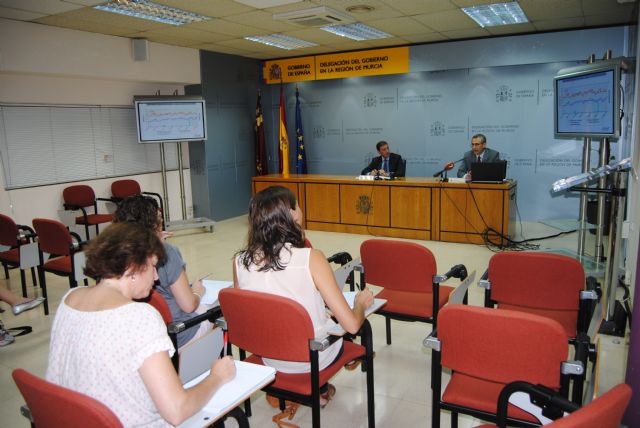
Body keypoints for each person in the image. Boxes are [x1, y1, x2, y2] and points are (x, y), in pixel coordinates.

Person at [46, 223, 235, 427]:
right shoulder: (140, 316)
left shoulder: (70, 299)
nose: (155, 277)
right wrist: (217, 377)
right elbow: (177, 411)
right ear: (132, 268)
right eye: (153, 266)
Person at [233, 186, 374, 403]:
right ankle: (321, 387)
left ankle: (318, 392)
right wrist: (361, 304)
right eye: (297, 204)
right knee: (357, 325)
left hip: (269, 356)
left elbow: (253, 310)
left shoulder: (239, 261)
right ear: (292, 215)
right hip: (312, 356)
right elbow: (352, 326)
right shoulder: (311, 258)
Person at [114, 195, 210, 350]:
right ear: (152, 225)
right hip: (176, 334)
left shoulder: (114, 254)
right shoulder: (167, 253)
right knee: (213, 312)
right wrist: (197, 292)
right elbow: (188, 305)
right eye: (158, 220)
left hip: (141, 338)